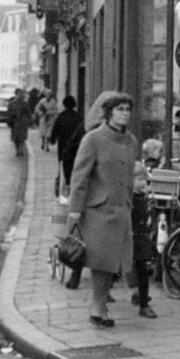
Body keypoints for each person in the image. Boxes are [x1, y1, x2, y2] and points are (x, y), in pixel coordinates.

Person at [68, 92, 138, 328]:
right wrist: (75, 210)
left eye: (128, 109)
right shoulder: (93, 139)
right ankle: (99, 308)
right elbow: (80, 176)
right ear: (108, 113)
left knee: (112, 262)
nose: (124, 114)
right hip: (98, 210)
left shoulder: (131, 142)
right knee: (101, 261)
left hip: (121, 210)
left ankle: (99, 305)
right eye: (119, 109)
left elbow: (129, 177)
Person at [130, 161, 157, 319]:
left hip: (141, 238)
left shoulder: (143, 197)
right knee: (117, 268)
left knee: (143, 269)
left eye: (144, 180)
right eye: (138, 180)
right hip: (129, 236)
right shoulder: (129, 198)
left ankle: (143, 304)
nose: (142, 183)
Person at [49, 96, 82, 203]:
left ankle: (64, 197)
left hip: (63, 150)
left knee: (64, 171)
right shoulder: (79, 117)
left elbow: (54, 132)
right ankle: (74, 193)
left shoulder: (61, 117)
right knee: (76, 170)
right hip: (77, 149)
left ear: (64, 104)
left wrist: (52, 140)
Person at [7, 88, 32, 157]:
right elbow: (8, 113)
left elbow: (29, 113)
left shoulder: (25, 103)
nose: (19, 95)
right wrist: (9, 120)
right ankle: (17, 150)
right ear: (15, 94)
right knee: (15, 139)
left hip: (23, 123)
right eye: (18, 94)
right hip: (15, 123)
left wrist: (29, 120)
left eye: (20, 94)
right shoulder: (12, 103)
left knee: (22, 138)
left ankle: (20, 151)